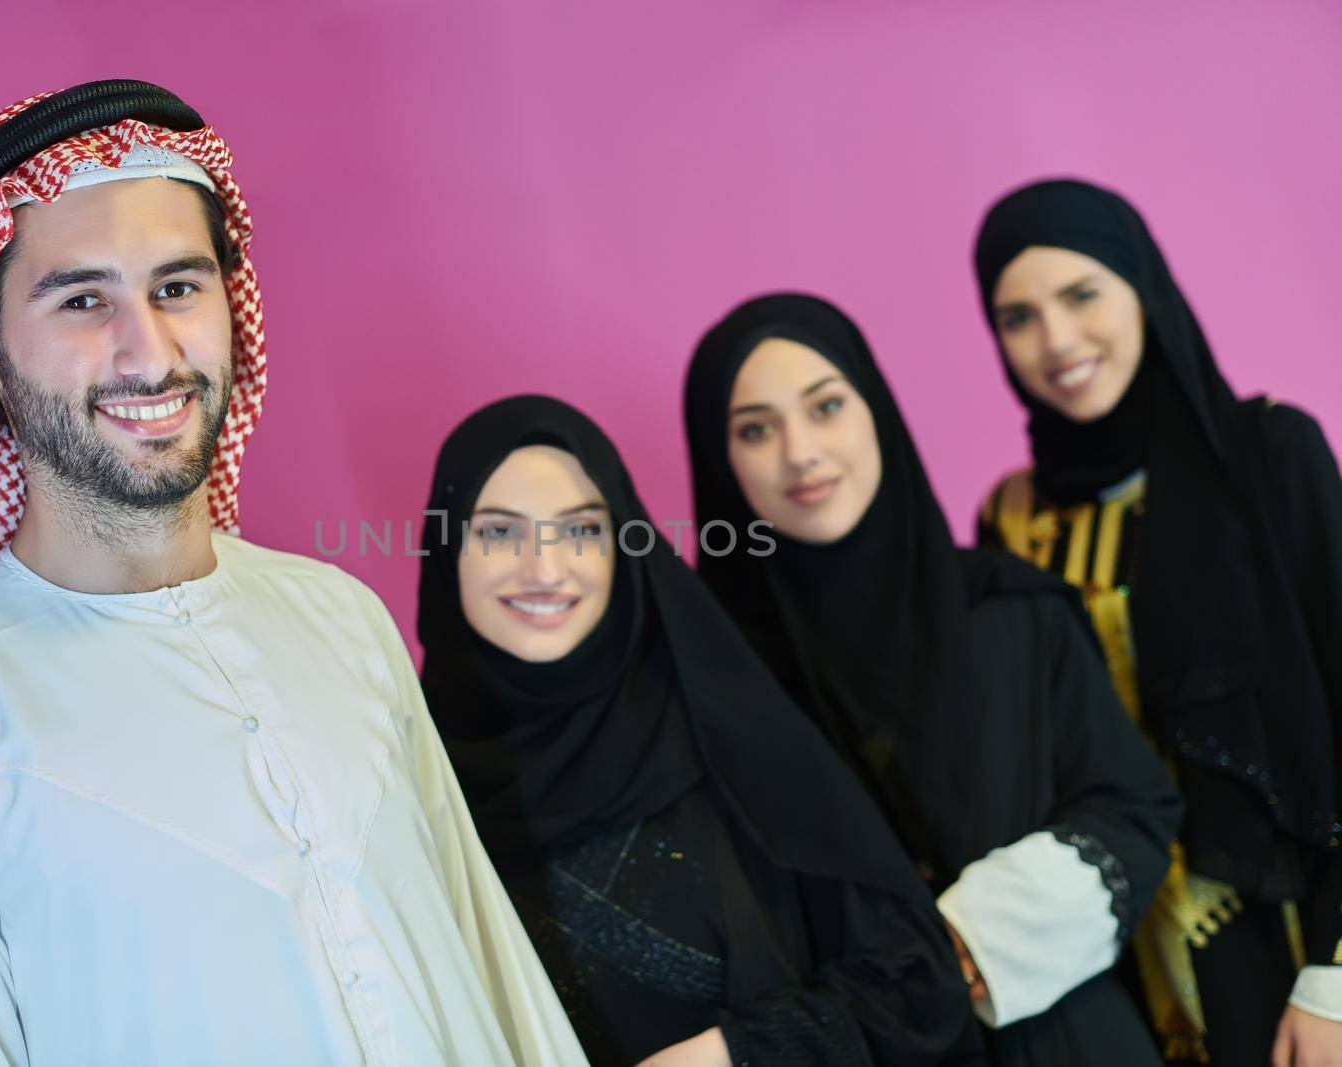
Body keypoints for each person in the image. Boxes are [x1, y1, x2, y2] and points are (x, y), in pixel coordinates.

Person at [0, 80, 585, 1067]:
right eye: (83, 298)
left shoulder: (342, 620)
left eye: (178, 287)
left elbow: (493, 979)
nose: (151, 350)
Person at [683, 293, 1181, 1065]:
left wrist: (974, 941)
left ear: (874, 408)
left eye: (826, 407)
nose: (801, 452)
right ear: (722, 463)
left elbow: (1133, 804)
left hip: (1067, 1041)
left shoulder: (1012, 609)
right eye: (755, 428)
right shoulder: (710, 680)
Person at [415, 395, 980, 1066]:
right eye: (500, 532)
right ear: (447, 550)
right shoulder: (411, 784)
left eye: (583, 530)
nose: (545, 569)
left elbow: (918, 983)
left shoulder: (724, 733)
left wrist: (734, 1054)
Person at [972, 178, 1342, 1066]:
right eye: (1017, 316)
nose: (1056, 340)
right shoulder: (1010, 522)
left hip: (1294, 947)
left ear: (1142, 286)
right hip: (1116, 968)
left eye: (1082, 293)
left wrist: (1335, 977)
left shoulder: (1265, 457)